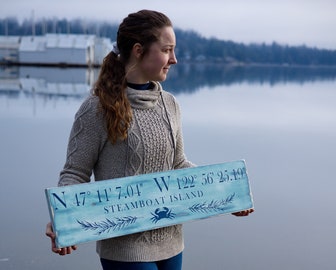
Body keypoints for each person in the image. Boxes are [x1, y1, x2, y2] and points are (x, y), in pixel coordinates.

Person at [46, 9, 253, 270]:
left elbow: (178, 165)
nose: (174, 59)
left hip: (171, 242)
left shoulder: (170, 104)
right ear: (138, 50)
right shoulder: (97, 108)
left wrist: (226, 195)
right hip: (124, 248)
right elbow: (75, 172)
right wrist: (62, 220)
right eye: (167, 50)